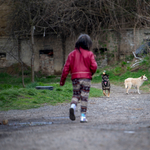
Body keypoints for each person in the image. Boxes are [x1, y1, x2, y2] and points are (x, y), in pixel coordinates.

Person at [60, 34, 97, 123]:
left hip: (75, 78)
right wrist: (90, 73)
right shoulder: (90, 54)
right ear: (88, 44)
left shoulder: (71, 54)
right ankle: (83, 117)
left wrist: (62, 81)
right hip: (86, 79)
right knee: (84, 97)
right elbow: (94, 66)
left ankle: (73, 106)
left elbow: (66, 68)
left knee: (76, 95)